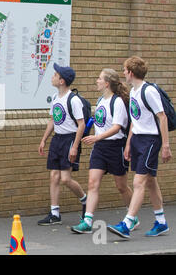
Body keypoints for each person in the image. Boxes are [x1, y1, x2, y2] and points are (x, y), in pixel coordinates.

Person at [108, 56, 172, 239]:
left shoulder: (148, 91)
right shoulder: (134, 92)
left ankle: (127, 224)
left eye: (124, 70)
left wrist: (166, 145)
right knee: (150, 181)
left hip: (151, 140)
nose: (123, 73)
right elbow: (135, 121)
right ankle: (161, 222)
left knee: (138, 182)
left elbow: (162, 117)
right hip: (137, 140)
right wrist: (129, 143)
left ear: (131, 73)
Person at [71, 68, 139, 234]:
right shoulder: (101, 100)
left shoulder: (117, 102)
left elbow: (117, 128)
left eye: (99, 78)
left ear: (107, 83)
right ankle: (87, 221)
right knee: (93, 183)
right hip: (100, 148)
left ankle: (133, 216)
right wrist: (95, 137)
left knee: (121, 186)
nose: (97, 81)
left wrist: (96, 137)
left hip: (115, 147)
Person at [38, 63, 87, 225]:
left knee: (65, 179)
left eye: (55, 75)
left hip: (70, 139)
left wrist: (74, 146)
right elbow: (53, 120)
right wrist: (44, 139)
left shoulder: (73, 100)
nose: (52, 76)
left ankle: (85, 200)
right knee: (54, 176)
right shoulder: (54, 98)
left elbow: (81, 124)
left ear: (62, 81)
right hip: (57, 139)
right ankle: (54, 213)